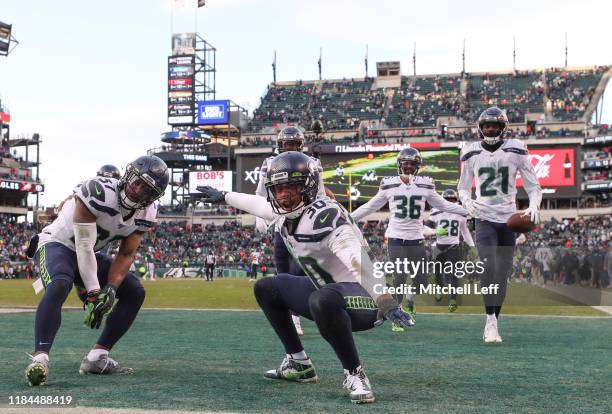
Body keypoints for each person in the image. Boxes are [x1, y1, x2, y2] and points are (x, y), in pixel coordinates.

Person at [197, 152, 414, 404]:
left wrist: (385, 300)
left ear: (308, 187)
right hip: (329, 292)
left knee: (323, 298)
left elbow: (357, 259)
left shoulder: (325, 215)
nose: (282, 195)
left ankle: (355, 373)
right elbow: (257, 204)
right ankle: (299, 363)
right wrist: (224, 196)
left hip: (366, 299)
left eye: (290, 187)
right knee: (268, 287)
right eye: (277, 189)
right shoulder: (285, 211)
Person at [24, 155, 169, 386]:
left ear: (153, 197)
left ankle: (97, 356)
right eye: (137, 181)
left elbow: (125, 254)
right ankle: (40, 358)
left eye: (146, 188)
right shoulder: (98, 191)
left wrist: (110, 288)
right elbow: (82, 245)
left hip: (88, 252)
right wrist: (93, 291)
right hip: (58, 244)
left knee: (134, 290)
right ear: (128, 175)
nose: (136, 189)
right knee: (60, 282)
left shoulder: (147, 212)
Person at [351, 148, 468, 331]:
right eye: (405, 164)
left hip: (416, 239)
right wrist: (349, 218)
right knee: (399, 276)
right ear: (399, 165)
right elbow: (371, 205)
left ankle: (410, 302)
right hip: (396, 238)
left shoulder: (425, 185)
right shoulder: (389, 184)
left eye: (412, 164)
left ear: (417, 167)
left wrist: (468, 211)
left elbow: (443, 204)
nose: (408, 167)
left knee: (421, 280)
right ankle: (396, 315)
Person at [458, 106, 542, 343]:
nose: (491, 129)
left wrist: (534, 205)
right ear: (480, 128)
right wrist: (466, 200)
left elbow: (534, 186)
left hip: (508, 219)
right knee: (488, 264)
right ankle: (489, 320)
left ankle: (496, 318)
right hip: (484, 217)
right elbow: (463, 186)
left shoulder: (516, 149)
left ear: (503, 128)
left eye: (495, 125)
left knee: (502, 273)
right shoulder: (471, 152)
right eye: (487, 126)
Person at [254, 126, 327, 334]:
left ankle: (308, 311)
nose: (290, 147)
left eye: (294, 144)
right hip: (281, 222)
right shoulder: (269, 163)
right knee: (283, 271)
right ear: (280, 145)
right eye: (287, 144)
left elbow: (320, 193)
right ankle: (291, 315)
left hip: (304, 222)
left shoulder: (311, 163)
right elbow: (261, 193)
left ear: (300, 145)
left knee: (303, 270)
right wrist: (259, 214)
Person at [427, 189, 476, 312]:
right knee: (439, 272)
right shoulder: (438, 211)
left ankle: (453, 299)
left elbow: (465, 231)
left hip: (452, 247)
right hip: (439, 246)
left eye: (452, 200)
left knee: (452, 273)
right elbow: (425, 229)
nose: (450, 202)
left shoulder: (444, 211)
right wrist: (435, 231)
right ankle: (441, 289)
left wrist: (472, 246)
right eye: (448, 200)